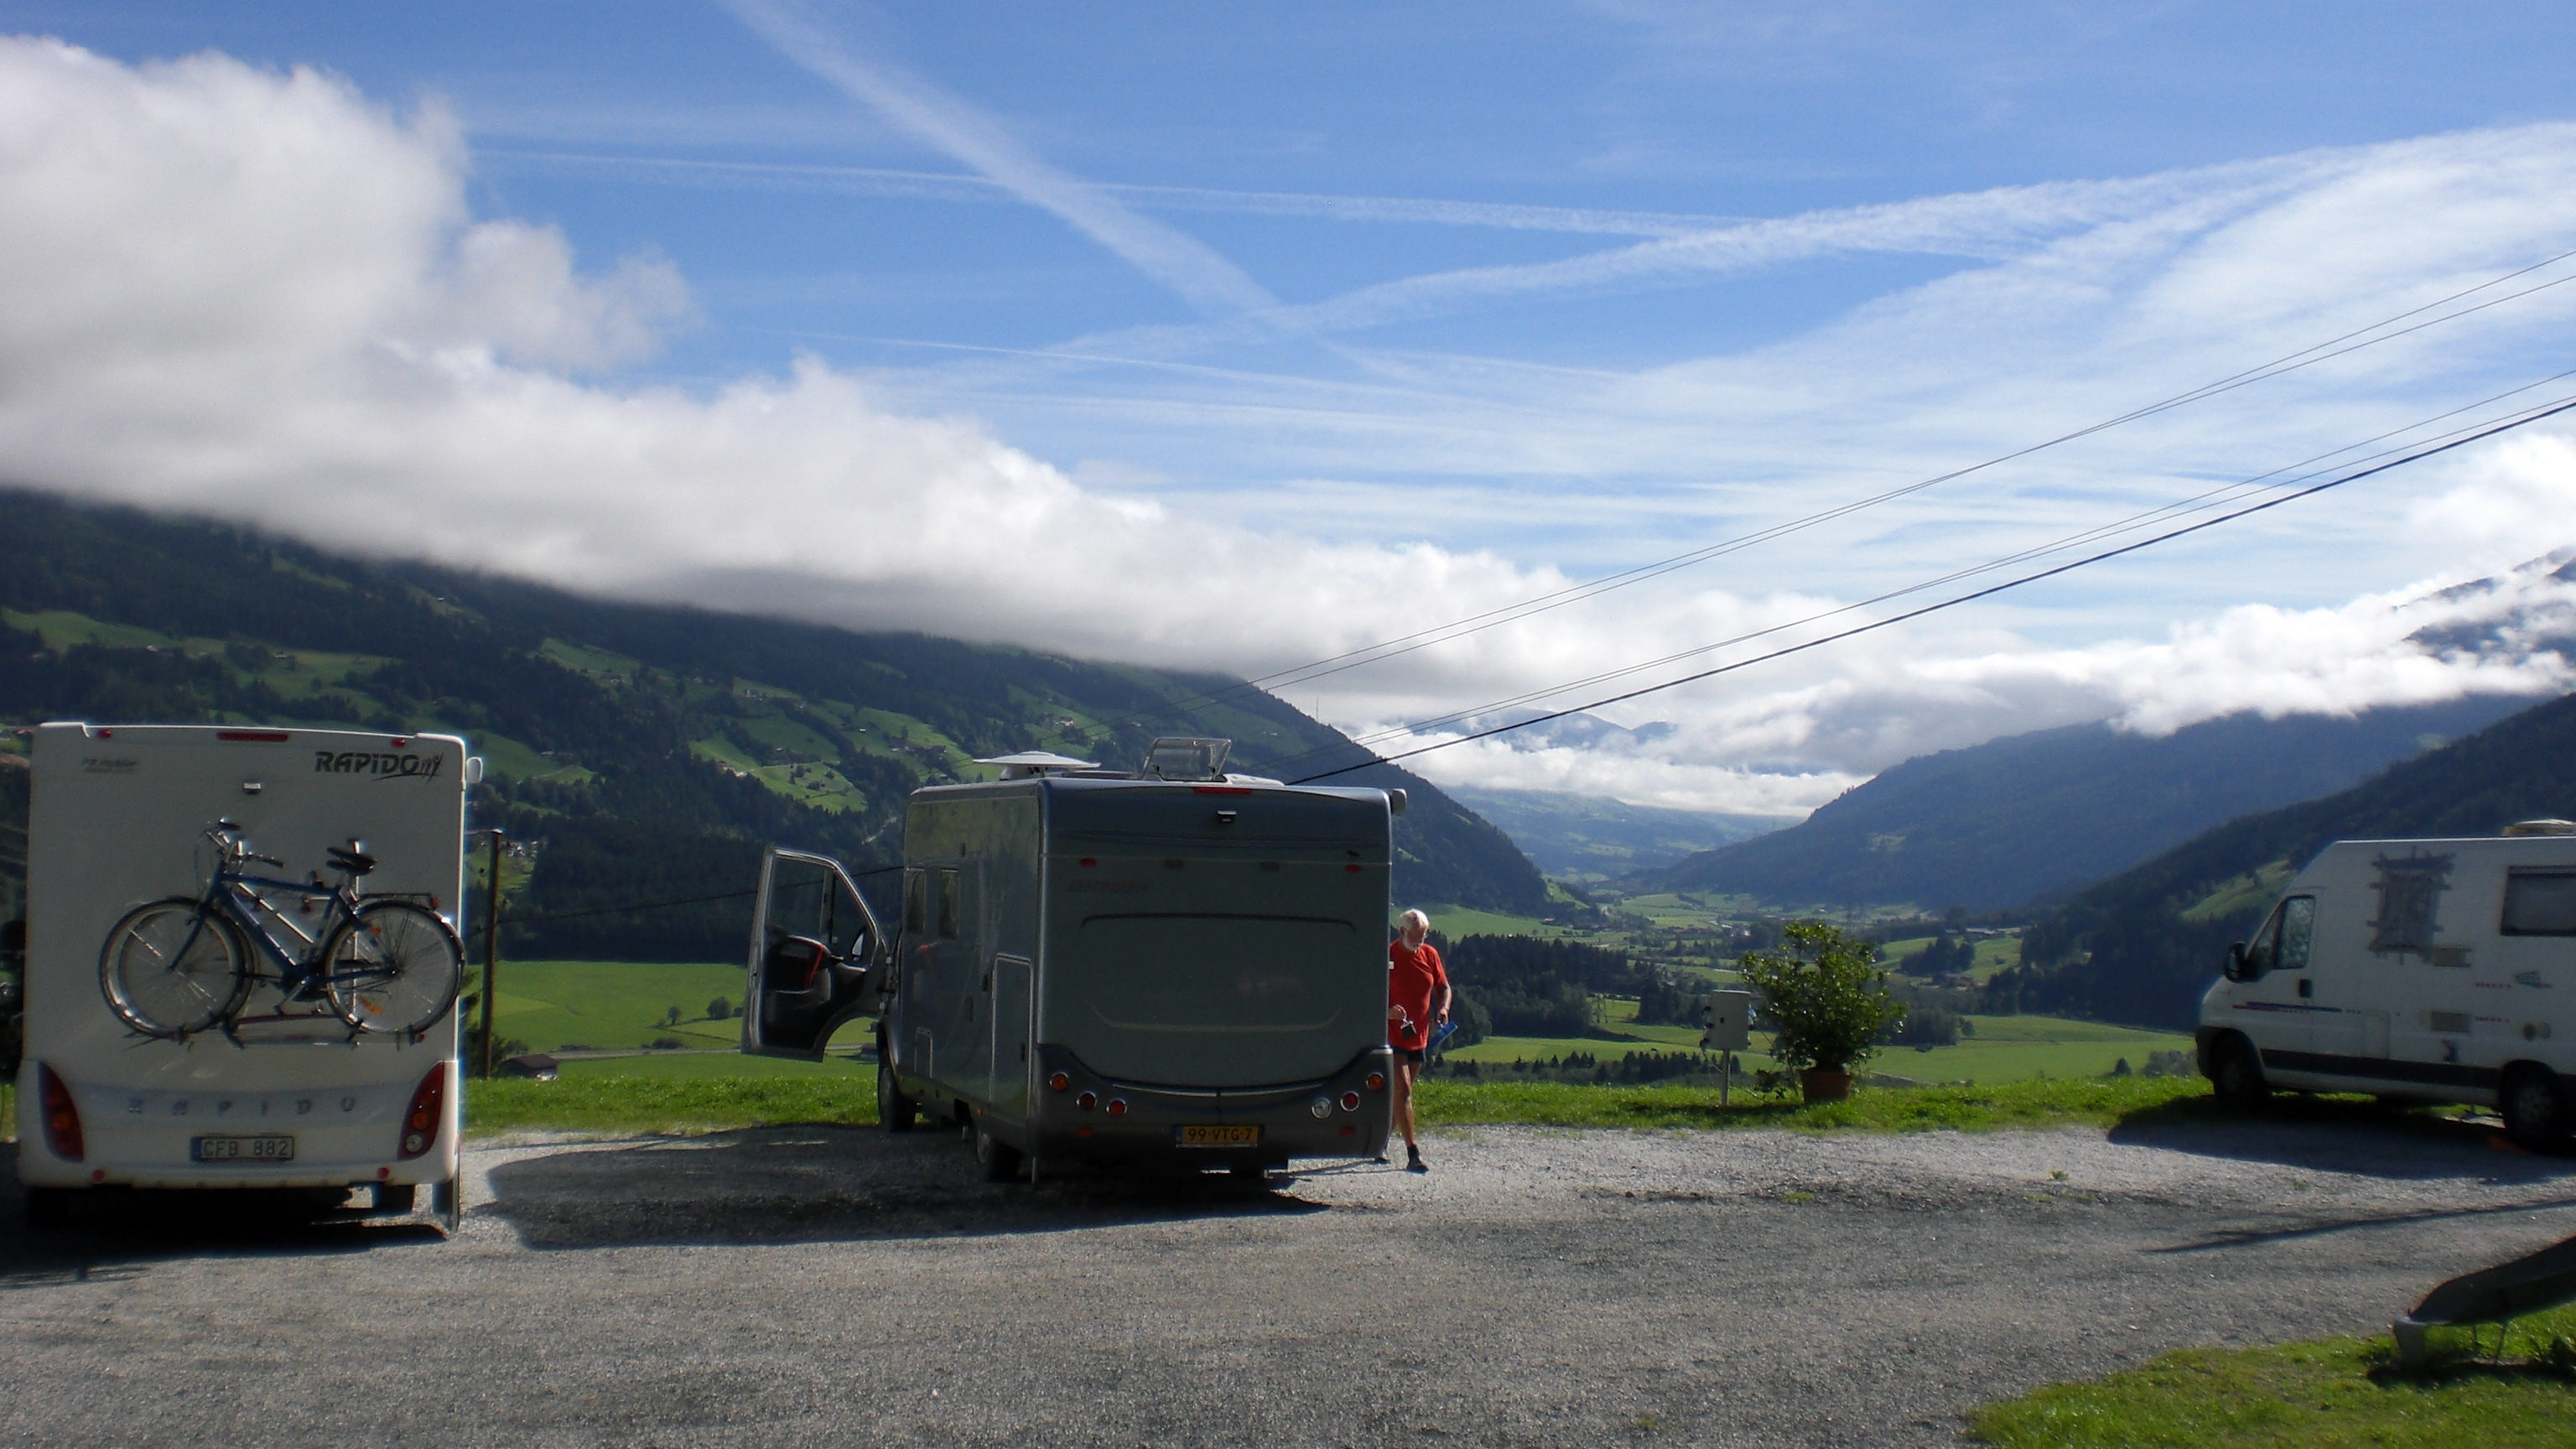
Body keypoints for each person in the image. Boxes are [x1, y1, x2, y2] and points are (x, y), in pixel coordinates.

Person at [1385, 908, 1450, 1172]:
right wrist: (1386, 1012)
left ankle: (1380, 1141)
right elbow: (1366, 991)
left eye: (1424, 935)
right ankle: (1413, 1153)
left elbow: (1443, 987)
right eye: (1416, 935)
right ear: (1402, 931)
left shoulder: (1430, 955)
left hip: (1419, 1036)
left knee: (1400, 1096)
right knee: (1405, 1090)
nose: (1421, 940)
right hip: (1392, 1035)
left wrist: (1443, 1008)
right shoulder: (1388, 954)